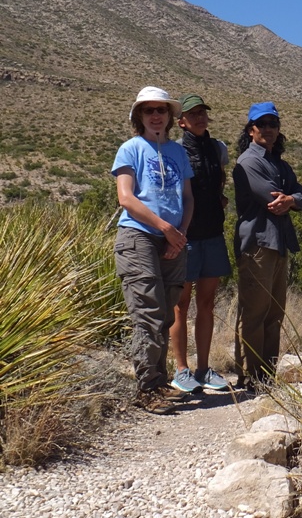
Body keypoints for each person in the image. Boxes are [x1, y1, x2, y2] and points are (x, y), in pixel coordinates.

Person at [112, 86, 194, 415]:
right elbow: (127, 198)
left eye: (161, 109)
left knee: (165, 311)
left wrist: (181, 235)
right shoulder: (131, 149)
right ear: (139, 116)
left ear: (170, 117)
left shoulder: (178, 152)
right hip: (139, 236)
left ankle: (160, 382)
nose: (156, 115)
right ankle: (147, 388)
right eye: (149, 110)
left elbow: (188, 198)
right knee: (148, 314)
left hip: (174, 239)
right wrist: (165, 229)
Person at [232, 101, 302, 391]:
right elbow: (273, 198)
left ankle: (266, 374)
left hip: (279, 243)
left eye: (272, 124)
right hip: (257, 244)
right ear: (251, 130)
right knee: (255, 312)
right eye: (261, 124)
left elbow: (299, 196)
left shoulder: (280, 164)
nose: (267, 129)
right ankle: (250, 375)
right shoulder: (249, 162)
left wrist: (292, 199)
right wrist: (291, 199)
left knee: (274, 313)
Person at [168, 93, 232, 394]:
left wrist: (220, 198)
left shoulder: (218, 148)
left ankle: (205, 369)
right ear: (181, 122)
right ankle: (181, 370)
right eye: (193, 114)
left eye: (203, 113)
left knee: (207, 303)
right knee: (180, 305)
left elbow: (219, 181)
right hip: (186, 237)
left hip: (213, 234)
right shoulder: (177, 151)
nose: (200, 118)